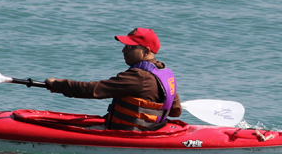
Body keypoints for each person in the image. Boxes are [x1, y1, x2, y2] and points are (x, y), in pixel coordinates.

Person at [45, 28, 181, 131]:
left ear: (146, 51)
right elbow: (176, 111)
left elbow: (93, 90)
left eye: (129, 47)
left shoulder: (139, 77)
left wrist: (58, 84)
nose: (123, 50)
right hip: (153, 129)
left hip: (130, 134)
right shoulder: (165, 73)